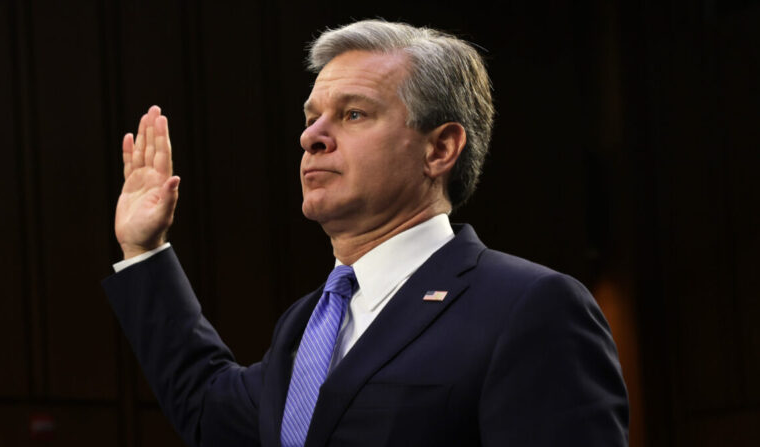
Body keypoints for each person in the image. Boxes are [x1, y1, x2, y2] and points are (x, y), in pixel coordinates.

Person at [103, 19, 629, 447]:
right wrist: (144, 251)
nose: (312, 136)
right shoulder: (307, 324)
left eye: (353, 113)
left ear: (439, 149)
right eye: (312, 118)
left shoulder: (530, 307)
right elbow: (208, 409)